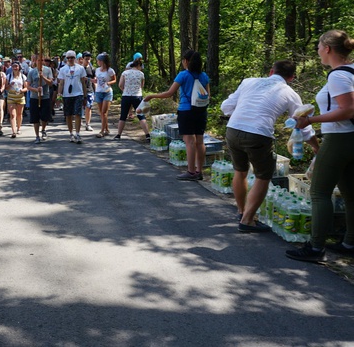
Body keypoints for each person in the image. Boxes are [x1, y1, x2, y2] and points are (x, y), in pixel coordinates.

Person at [220, 60, 319, 233]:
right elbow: (304, 126)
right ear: (292, 77)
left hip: (233, 129)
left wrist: (240, 116)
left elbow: (226, 107)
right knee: (263, 177)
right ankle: (247, 220)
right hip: (258, 134)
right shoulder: (290, 93)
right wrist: (317, 147)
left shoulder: (248, 81)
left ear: (271, 71)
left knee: (240, 171)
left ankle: (242, 211)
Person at [286, 30, 354, 262]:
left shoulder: (337, 76)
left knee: (319, 192)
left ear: (327, 48)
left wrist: (310, 121)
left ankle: (315, 248)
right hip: (350, 138)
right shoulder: (352, 71)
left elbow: (348, 109)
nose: (316, 51)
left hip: (339, 138)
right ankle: (349, 242)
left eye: (318, 46)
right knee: (350, 192)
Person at [144, 50, 210, 180]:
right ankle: (199, 171)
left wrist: (152, 96)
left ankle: (190, 172)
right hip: (201, 111)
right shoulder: (204, 76)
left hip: (186, 110)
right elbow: (208, 95)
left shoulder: (183, 75)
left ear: (186, 61)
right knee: (200, 141)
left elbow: (169, 93)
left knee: (189, 141)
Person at [114, 58, 150, 141]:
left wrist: (125, 90)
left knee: (123, 115)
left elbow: (120, 85)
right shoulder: (141, 74)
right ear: (138, 65)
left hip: (126, 96)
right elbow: (142, 85)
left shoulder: (125, 73)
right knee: (141, 116)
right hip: (137, 96)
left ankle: (118, 135)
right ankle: (147, 135)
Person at [58, 50, 88, 144]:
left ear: (75, 58)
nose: (70, 59)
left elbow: (83, 82)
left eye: (72, 57)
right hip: (67, 95)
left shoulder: (80, 68)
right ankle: (71, 133)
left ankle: (78, 133)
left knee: (78, 114)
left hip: (78, 94)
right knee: (68, 115)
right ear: (66, 59)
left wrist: (85, 95)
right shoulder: (63, 69)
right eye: (68, 58)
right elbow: (61, 83)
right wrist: (59, 94)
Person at [27, 56, 53, 144]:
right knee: (35, 117)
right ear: (35, 61)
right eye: (38, 60)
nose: (40, 61)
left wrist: (43, 77)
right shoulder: (31, 72)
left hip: (45, 97)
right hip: (34, 97)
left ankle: (43, 129)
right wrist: (35, 90)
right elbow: (28, 86)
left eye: (42, 60)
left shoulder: (48, 70)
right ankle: (37, 135)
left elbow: (50, 83)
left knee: (45, 116)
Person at [93, 52, 117, 137]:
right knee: (101, 113)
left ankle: (102, 131)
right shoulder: (97, 70)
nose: (97, 62)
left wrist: (109, 82)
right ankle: (107, 129)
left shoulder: (110, 70)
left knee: (104, 112)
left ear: (102, 61)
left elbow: (114, 80)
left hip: (107, 92)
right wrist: (95, 80)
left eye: (98, 60)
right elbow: (97, 79)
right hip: (99, 91)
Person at [6, 61, 27, 138]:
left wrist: (22, 90)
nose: (15, 68)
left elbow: (26, 87)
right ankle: (13, 131)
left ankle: (18, 128)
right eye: (13, 66)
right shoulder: (9, 76)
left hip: (20, 97)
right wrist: (9, 85)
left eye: (16, 66)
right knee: (12, 114)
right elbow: (6, 87)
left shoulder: (23, 77)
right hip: (11, 97)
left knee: (19, 114)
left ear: (19, 67)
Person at [80, 52, 96, 131]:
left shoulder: (92, 69)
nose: (88, 61)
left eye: (89, 59)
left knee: (88, 107)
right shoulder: (79, 68)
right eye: (86, 59)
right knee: (79, 107)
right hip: (80, 90)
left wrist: (96, 91)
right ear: (82, 59)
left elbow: (95, 80)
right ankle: (78, 122)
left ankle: (87, 124)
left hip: (89, 90)